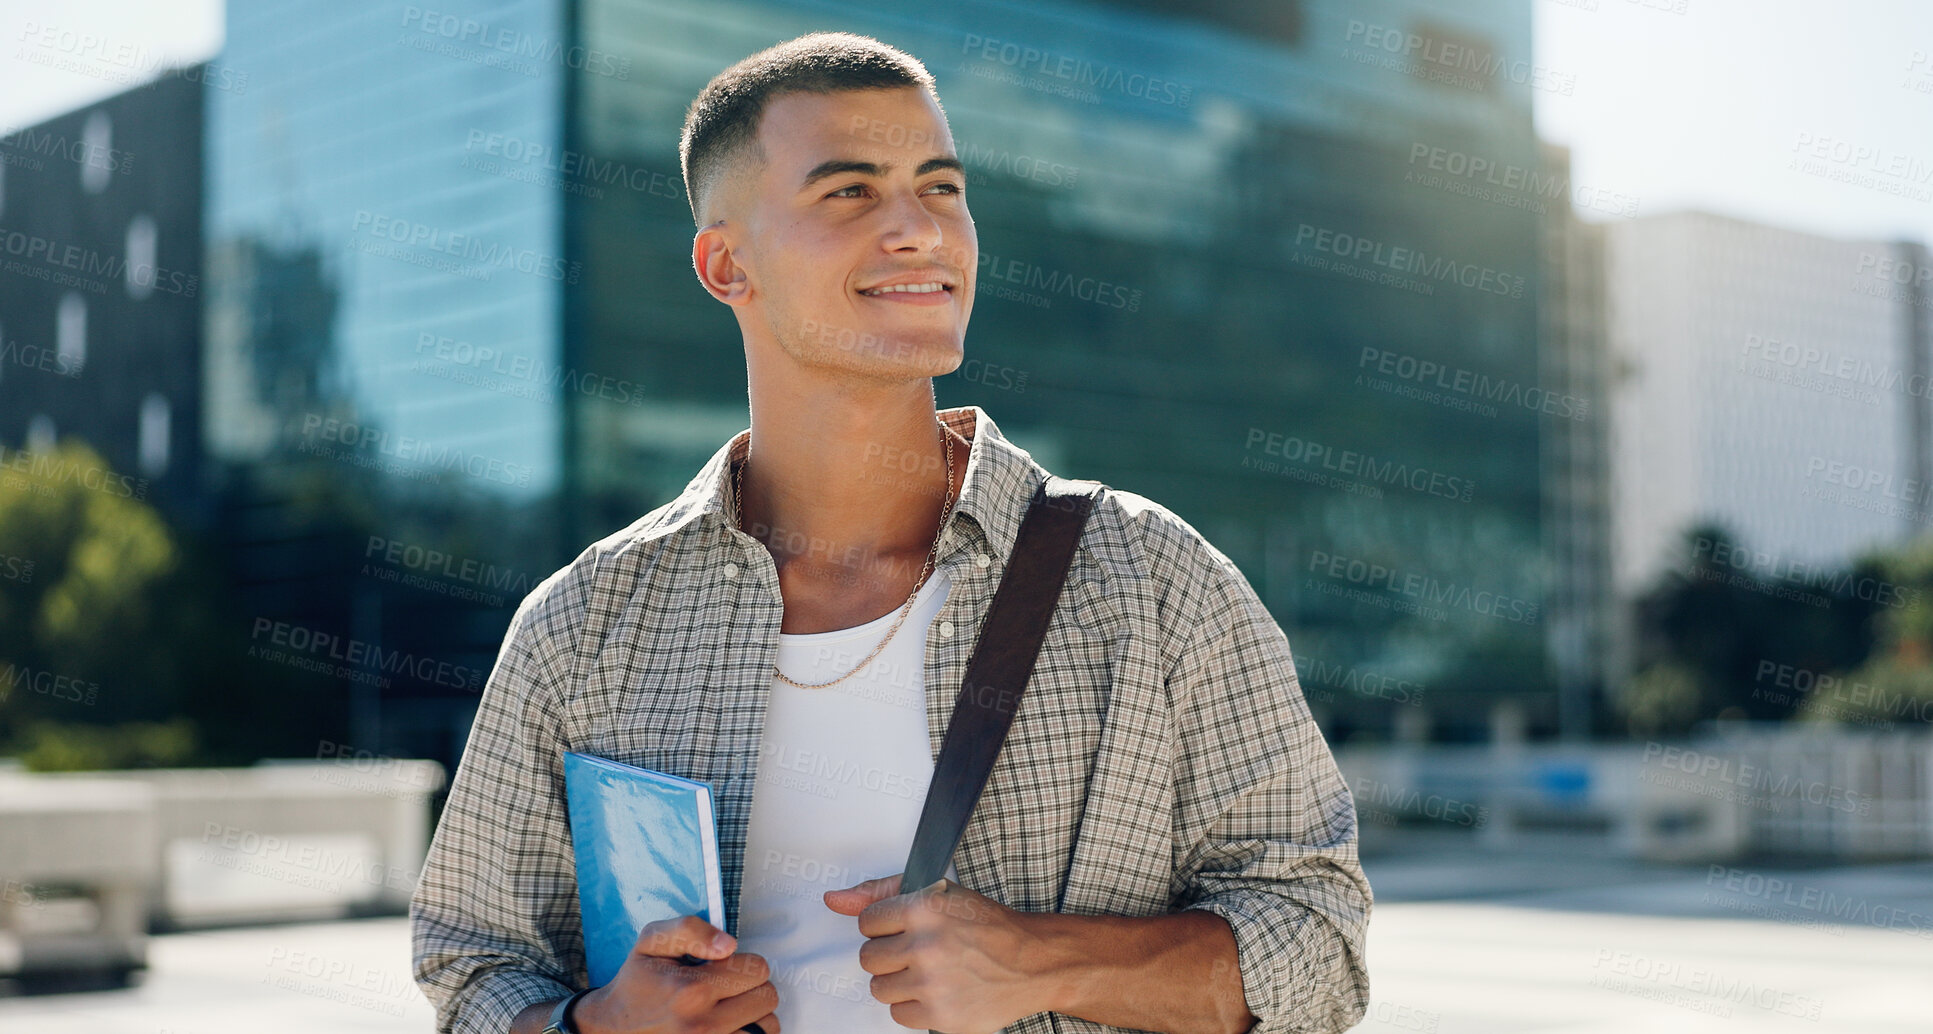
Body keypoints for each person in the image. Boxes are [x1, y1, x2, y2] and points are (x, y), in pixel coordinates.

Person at [412, 30, 1370, 1034]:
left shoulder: (1150, 577)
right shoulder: (584, 623)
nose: (919, 229)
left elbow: (1320, 948)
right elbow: (477, 966)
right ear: (726, 262)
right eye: (850, 191)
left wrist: (1045, 960)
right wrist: (600, 1024)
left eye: (940, 187)